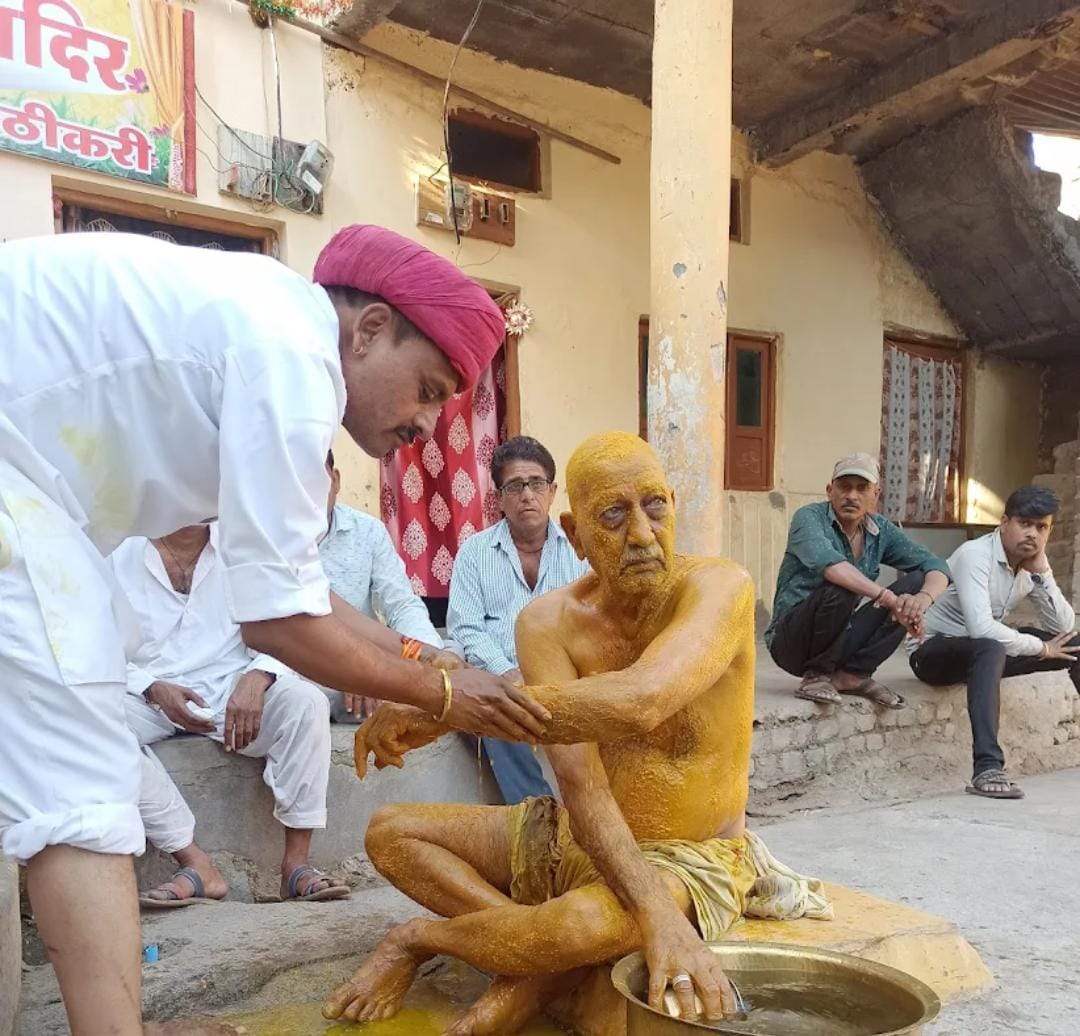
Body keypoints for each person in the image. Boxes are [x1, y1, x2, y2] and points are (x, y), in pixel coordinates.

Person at [0, 225, 547, 1036]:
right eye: (428, 389)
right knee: (80, 793)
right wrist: (442, 694)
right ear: (367, 331)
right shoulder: (293, 358)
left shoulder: (269, 324)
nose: (429, 424)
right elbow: (279, 620)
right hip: (19, 487)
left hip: (33, 483)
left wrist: (425, 653)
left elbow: (306, 594)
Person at [331, 431, 831, 1035]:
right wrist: (649, 918)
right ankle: (536, 963)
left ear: (673, 502)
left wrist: (450, 708)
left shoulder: (719, 588)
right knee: (390, 833)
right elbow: (578, 779)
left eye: (654, 506)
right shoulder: (546, 623)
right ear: (577, 532)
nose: (642, 535)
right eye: (614, 516)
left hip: (690, 858)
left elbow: (640, 701)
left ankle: (422, 941)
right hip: (571, 834)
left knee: (579, 927)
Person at [112, 523, 350, 905]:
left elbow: (291, 618)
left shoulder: (247, 542)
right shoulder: (116, 549)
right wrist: (151, 686)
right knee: (93, 722)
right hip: (145, 694)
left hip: (232, 690)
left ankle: (296, 867)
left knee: (305, 702)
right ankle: (196, 863)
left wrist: (260, 674)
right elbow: (90, 641)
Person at [909, 486, 1080, 799]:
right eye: (1024, 524)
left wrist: (1043, 574)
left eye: (1041, 527)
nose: (1032, 534)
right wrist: (1041, 648)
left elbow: (1064, 626)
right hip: (933, 653)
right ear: (1004, 522)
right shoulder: (975, 555)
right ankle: (987, 767)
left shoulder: (1030, 566)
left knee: (1076, 644)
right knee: (991, 645)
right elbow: (981, 628)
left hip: (984, 656)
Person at [448, 436, 589, 802]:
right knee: (494, 703)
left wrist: (549, 676)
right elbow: (466, 628)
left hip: (565, 679)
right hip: (501, 679)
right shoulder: (474, 553)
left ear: (553, 490)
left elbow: (592, 622)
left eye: (536, 483)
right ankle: (540, 815)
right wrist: (507, 672)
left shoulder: (580, 552)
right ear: (499, 498)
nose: (527, 494)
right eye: (515, 485)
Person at [766, 453, 950, 707]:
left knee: (915, 583)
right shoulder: (808, 518)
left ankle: (852, 675)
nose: (852, 496)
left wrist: (920, 601)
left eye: (862, 488)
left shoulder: (880, 530)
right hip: (791, 642)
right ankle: (816, 676)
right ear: (830, 491)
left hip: (839, 639)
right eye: (844, 487)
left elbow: (936, 566)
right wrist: (889, 599)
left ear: (875, 495)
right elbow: (832, 568)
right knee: (843, 586)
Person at [320, 449, 447, 723]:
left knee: (451, 661)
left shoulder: (368, 531)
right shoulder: (275, 541)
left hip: (365, 675)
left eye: (319, 479)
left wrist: (428, 662)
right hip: (307, 671)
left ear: (336, 480)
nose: (311, 493)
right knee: (299, 698)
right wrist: (354, 667)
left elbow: (401, 605)